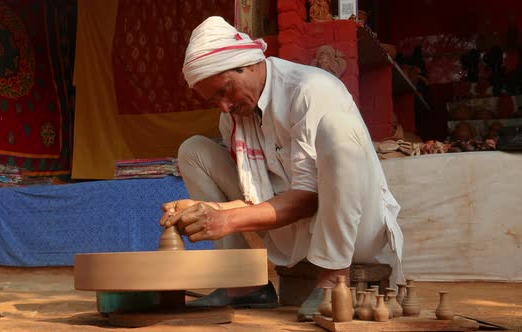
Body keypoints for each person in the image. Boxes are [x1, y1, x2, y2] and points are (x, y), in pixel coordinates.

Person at [160, 16, 404, 321]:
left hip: (358, 229)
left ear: (248, 64)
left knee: (337, 130)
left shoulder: (309, 89)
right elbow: (259, 198)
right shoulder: (235, 117)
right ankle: (242, 284)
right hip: (294, 229)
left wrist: (225, 219)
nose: (224, 107)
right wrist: (206, 209)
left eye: (225, 90)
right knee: (193, 150)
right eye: (214, 101)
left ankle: (331, 278)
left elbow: (307, 197)